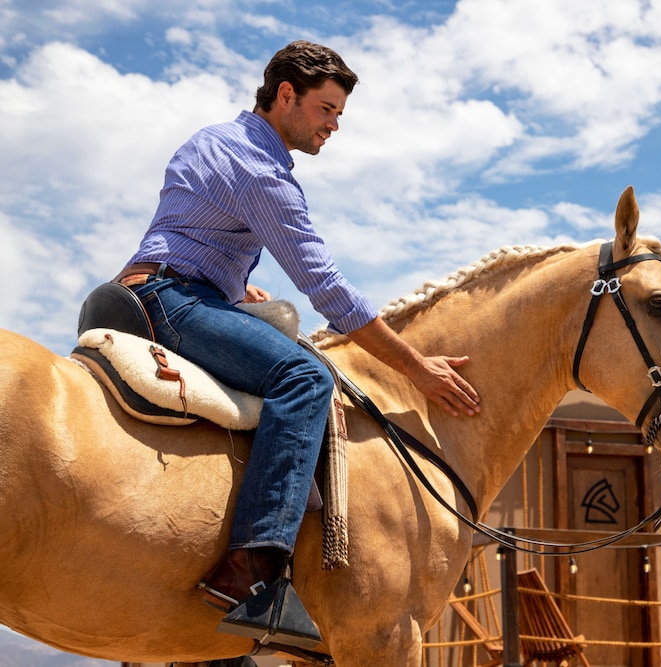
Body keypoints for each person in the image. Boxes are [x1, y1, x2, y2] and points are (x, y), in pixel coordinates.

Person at [112, 41, 480, 628]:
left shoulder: (210, 139)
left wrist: (231, 284)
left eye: (339, 114)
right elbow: (326, 287)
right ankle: (254, 572)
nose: (334, 126)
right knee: (305, 376)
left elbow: (187, 228)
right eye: (327, 109)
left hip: (141, 291)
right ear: (287, 95)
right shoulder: (262, 173)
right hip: (175, 300)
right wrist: (417, 368)